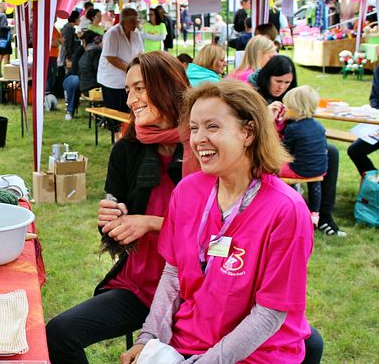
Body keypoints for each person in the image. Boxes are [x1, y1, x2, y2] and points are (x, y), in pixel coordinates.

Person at [123, 80, 314, 364]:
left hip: (258, 355)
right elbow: (173, 276)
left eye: (212, 127)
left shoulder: (285, 210)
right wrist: (149, 338)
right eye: (195, 127)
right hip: (186, 344)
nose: (198, 139)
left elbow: (270, 313)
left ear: (248, 132)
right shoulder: (187, 191)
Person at [47, 51, 196, 364]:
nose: (131, 100)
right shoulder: (128, 148)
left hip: (195, 293)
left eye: (140, 88)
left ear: (169, 85)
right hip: (140, 288)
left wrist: (151, 222)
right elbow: (117, 226)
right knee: (59, 333)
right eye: (129, 91)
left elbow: (215, 232)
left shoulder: (202, 147)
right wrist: (112, 221)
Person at [254, 55, 344, 238]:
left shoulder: (292, 98)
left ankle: (325, 216)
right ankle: (281, 212)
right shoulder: (257, 96)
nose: (282, 86)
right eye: (278, 81)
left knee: (330, 152)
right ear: (267, 77)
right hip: (266, 144)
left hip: (288, 147)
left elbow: (299, 130)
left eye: (287, 82)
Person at [280, 86, 329, 229]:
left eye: (288, 107)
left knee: (272, 169)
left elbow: (284, 152)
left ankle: (289, 204)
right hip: (320, 168)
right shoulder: (319, 126)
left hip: (299, 170)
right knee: (314, 182)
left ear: (296, 108)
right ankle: (315, 213)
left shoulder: (292, 129)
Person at [97, 8, 144, 113]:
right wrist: (129, 69)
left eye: (136, 20)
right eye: (132, 21)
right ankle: (112, 127)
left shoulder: (136, 33)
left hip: (129, 78)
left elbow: (140, 53)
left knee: (127, 106)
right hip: (112, 78)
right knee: (113, 109)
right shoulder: (112, 33)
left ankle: (125, 128)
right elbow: (110, 57)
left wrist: (137, 67)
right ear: (123, 21)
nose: (135, 23)